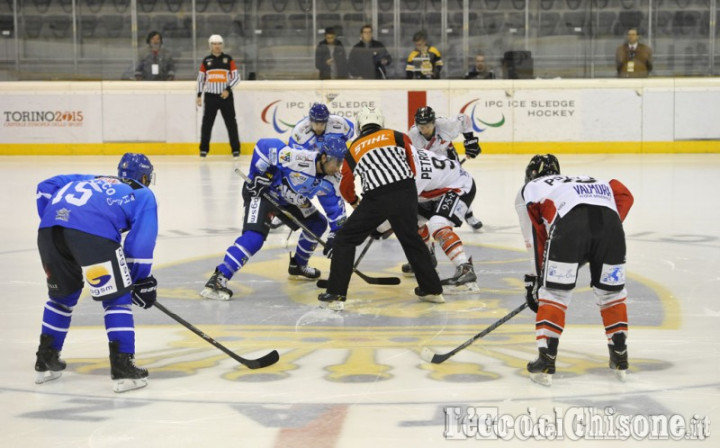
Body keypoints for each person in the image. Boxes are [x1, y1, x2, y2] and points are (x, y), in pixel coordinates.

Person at [34, 153, 158, 393]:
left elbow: (45, 187)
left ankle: (46, 361)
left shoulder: (91, 178)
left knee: (62, 298)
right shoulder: (143, 193)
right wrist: (139, 280)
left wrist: (53, 217)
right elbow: (140, 244)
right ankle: (123, 369)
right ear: (145, 176)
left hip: (49, 231)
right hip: (92, 234)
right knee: (116, 299)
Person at [516, 154, 634, 386]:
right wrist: (595, 239)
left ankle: (546, 358)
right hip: (610, 227)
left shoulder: (529, 189)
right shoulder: (582, 178)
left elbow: (535, 238)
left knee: (555, 294)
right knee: (611, 294)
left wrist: (537, 279)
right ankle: (620, 353)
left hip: (569, 228)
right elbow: (622, 193)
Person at [318, 107, 444, 311]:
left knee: (345, 239)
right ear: (381, 123)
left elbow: (346, 184)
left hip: (377, 197)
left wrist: (354, 202)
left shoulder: (354, 147)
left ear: (360, 126)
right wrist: (404, 191)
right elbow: (413, 165)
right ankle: (432, 290)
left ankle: (336, 292)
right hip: (406, 190)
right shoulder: (398, 135)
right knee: (411, 238)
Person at [201, 136, 347, 301]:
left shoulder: (331, 182)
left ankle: (298, 265)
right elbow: (264, 146)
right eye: (337, 162)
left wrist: (336, 236)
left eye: (341, 162)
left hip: (289, 200)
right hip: (263, 192)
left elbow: (337, 212)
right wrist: (260, 175)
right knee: (255, 237)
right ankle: (219, 278)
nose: (338, 168)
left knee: (318, 223)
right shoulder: (300, 159)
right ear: (324, 157)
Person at [403, 147, 479, 291]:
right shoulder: (408, 154)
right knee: (411, 221)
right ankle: (427, 259)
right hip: (437, 188)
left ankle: (465, 269)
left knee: (437, 223)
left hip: (459, 186)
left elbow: (403, 201)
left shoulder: (414, 174)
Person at [408, 106, 483, 230]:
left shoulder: (446, 125)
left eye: (427, 126)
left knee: (458, 184)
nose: (424, 130)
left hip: (448, 156)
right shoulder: (413, 135)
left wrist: (470, 141)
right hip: (429, 163)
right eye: (421, 127)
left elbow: (464, 119)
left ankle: (468, 214)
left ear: (434, 123)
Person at [196, 34, 241, 158]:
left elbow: (236, 77)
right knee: (207, 123)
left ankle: (235, 149)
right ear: (210, 46)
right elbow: (201, 79)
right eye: (214, 44)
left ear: (222, 45)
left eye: (219, 44)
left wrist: (228, 89)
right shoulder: (206, 61)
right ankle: (203, 149)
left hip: (226, 97)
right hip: (210, 97)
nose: (217, 46)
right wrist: (199, 95)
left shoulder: (228, 59)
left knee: (231, 122)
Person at [288, 103, 354, 151]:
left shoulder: (340, 123)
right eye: (316, 123)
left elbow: (351, 131)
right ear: (310, 121)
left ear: (327, 121)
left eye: (322, 124)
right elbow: (294, 156)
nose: (319, 128)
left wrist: (340, 144)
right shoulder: (299, 132)